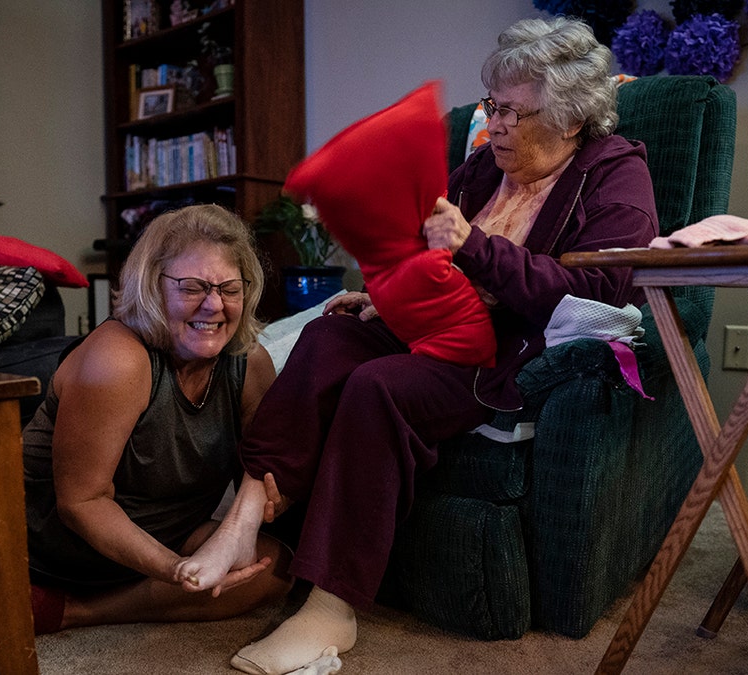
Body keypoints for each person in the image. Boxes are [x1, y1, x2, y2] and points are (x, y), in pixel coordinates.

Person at [173, 16, 660, 675]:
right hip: (430, 322)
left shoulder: (615, 174)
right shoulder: (483, 169)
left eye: (512, 111)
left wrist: (475, 247)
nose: (495, 126)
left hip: (500, 355)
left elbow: (600, 289)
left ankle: (332, 604)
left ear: (570, 117)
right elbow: (421, 258)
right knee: (326, 335)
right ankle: (250, 508)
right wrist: (385, 296)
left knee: (380, 387)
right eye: (492, 107)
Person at [0, 204, 293, 632]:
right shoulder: (118, 358)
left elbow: (266, 470)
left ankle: (72, 612)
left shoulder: (250, 364)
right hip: (40, 548)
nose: (214, 305)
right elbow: (82, 503)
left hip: (163, 541)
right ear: (153, 287)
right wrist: (175, 570)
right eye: (192, 287)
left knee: (272, 569)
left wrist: (256, 511)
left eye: (229, 288)